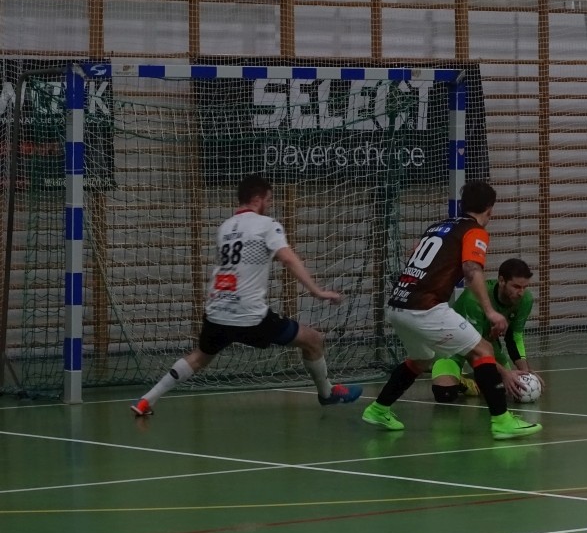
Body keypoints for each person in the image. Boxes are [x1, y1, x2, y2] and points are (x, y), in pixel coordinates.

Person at [130, 174, 362, 416]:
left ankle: (147, 400)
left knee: (199, 357)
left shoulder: (225, 228)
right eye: (269, 200)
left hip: (217, 311)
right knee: (313, 340)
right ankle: (327, 393)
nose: (270, 205)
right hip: (249, 317)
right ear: (257, 198)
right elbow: (288, 258)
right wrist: (317, 291)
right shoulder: (267, 225)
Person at [361, 181, 542, 440]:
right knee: (484, 350)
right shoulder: (475, 231)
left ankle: (379, 409)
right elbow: (471, 269)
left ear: (462, 204)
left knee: (421, 359)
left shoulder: (437, 227)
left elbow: (415, 254)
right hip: (425, 308)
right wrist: (490, 311)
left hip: (398, 305)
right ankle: (502, 422)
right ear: (490, 209)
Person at [430, 257, 541, 403]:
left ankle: (474, 379)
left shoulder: (525, 300)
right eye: (516, 286)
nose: (521, 292)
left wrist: (525, 373)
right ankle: (460, 380)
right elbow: (472, 347)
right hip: (452, 344)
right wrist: (505, 372)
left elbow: (514, 336)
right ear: (501, 281)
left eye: (524, 287)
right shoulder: (473, 300)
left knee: (504, 388)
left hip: (486, 344)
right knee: (445, 394)